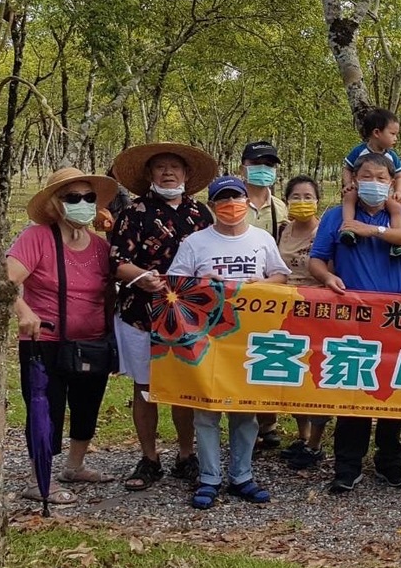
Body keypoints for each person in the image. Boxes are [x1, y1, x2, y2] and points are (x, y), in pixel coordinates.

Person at [308, 152, 401, 494]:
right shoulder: (335, 216)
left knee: (392, 390)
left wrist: (372, 230)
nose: (372, 182)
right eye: (366, 175)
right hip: (353, 315)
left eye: (380, 177)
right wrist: (327, 279)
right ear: (354, 179)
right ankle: (347, 465)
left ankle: (390, 461)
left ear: (391, 183)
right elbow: (317, 259)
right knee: (352, 389)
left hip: (396, 316)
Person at [169, 176, 291, 509]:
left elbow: (281, 276)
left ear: (246, 202)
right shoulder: (196, 243)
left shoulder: (261, 238)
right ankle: (209, 478)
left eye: (236, 197)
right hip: (208, 339)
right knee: (206, 411)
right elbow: (175, 284)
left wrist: (261, 283)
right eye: (222, 199)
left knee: (244, 412)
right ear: (212, 206)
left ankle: (242, 476)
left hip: (249, 340)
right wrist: (203, 283)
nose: (231, 205)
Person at [7, 169, 120, 505]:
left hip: (92, 342)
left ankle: (75, 466)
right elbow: (5, 280)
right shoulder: (37, 238)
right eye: (73, 198)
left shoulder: (101, 247)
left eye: (89, 198)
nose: (82, 203)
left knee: (87, 405)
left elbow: (111, 290)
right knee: (46, 409)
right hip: (45, 342)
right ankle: (37, 477)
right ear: (57, 203)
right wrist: (25, 311)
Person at [109, 142, 218, 491]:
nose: (168, 173)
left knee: (183, 385)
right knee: (145, 386)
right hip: (140, 311)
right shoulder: (134, 212)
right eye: (160, 167)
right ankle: (149, 457)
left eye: (174, 167)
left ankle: (186, 455)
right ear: (149, 174)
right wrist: (143, 277)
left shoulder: (200, 215)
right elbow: (116, 262)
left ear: (187, 175)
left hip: (188, 315)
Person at [276, 175, 330, 471]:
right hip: (286, 312)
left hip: (319, 312)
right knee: (294, 372)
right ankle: (302, 435)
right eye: (295, 196)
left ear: (317, 200)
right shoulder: (282, 230)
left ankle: (316, 443)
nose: (302, 202)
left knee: (316, 375)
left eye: (308, 196)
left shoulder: (326, 231)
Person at [241, 140, 289, 449]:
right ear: (243, 166)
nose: (264, 170)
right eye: (258, 163)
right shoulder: (229, 201)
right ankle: (239, 416)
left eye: (270, 165)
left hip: (271, 292)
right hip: (236, 294)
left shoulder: (281, 206)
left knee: (268, 353)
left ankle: (267, 421)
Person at [339, 107, 401, 256]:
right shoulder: (359, 151)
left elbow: (400, 175)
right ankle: (348, 228)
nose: (396, 138)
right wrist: (348, 184)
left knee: (395, 207)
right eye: (393, 134)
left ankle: (396, 241)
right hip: (361, 191)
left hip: (385, 195)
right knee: (349, 197)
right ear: (377, 133)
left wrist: (398, 192)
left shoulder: (392, 156)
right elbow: (347, 169)